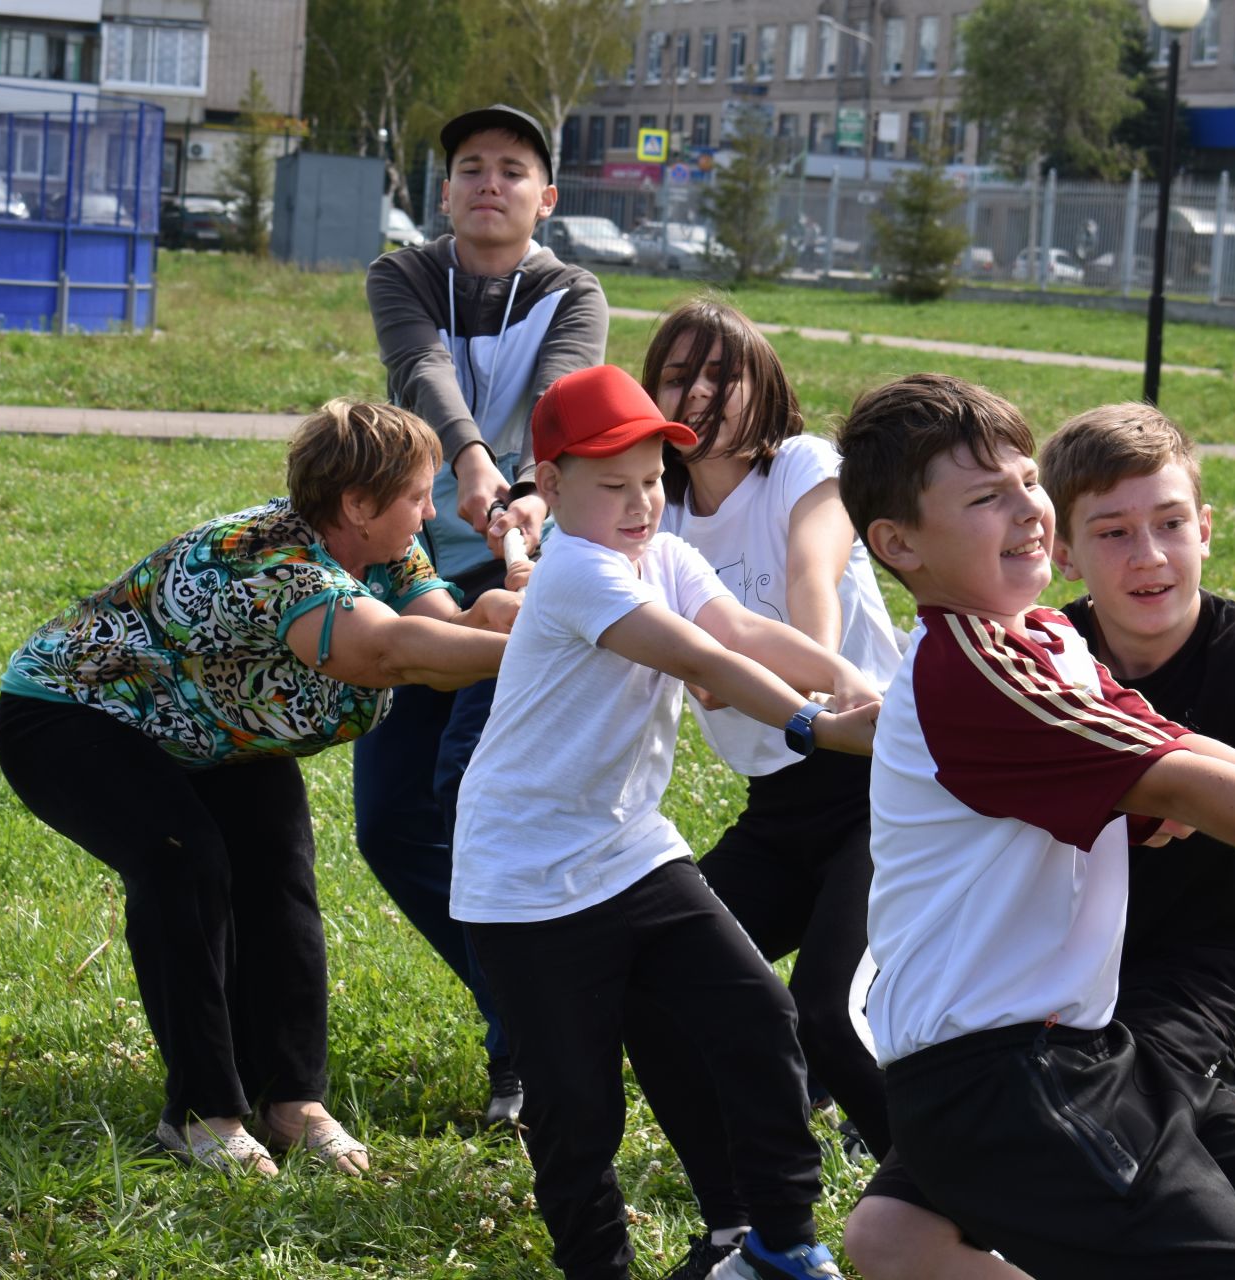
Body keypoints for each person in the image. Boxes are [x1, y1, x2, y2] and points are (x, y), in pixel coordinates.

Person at [829, 372, 1235, 1280]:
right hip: (999, 1085)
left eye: (1028, 481)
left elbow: (1190, 745)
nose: (1028, 510)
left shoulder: (1046, 643)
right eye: (987, 497)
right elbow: (1179, 784)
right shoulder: (975, 666)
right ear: (897, 542)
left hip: (1084, 1053)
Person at [0, 401, 517, 1175]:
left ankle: (293, 1102)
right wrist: (527, 647)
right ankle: (203, 1113)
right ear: (356, 504)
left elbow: (446, 628)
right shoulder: (269, 563)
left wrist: (511, 610)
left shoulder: (387, 547)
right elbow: (387, 655)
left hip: (214, 724)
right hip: (74, 716)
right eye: (417, 494)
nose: (429, 510)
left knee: (279, 874)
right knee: (184, 863)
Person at [451, 364, 881, 1280]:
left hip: (631, 850)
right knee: (580, 1116)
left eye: (652, 480)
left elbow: (738, 633)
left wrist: (844, 679)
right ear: (553, 487)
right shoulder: (575, 570)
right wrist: (815, 727)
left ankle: (776, 1241)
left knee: (761, 1015)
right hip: (525, 881)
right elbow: (699, 658)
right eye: (615, 487)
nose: (643, 503)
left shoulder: (665, 554)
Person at [616, 298, 905, 1280]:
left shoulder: (805, 468)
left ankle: (955, 1202)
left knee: (826, 1008)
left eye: (720, 375)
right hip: (780, 807)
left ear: (761, 387)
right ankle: (737, 1224)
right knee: (651, 984)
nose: (696, 393)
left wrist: (800, 679)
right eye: (675, 375)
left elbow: (812, 576)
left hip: (882, 785)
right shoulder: (658, 515)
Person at [359, 103, 609, 1124]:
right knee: (390, 822)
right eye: (471, 167)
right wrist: (468, 459)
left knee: (474, 800)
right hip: (416, 567)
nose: (490, 183)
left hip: (520, 579)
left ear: (545, 198)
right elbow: (421, 371)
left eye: (513, 169)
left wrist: (532, 489)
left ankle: (526, 1055)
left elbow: (561, 392)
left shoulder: (573, 290)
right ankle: (530, 1008)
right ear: (446, 192)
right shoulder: (403, 274)